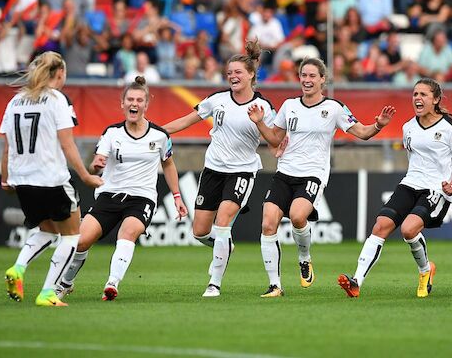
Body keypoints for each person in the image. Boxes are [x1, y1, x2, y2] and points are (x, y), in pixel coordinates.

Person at [247, 57, 396, 298]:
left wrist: (378, 125)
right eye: (303, 75)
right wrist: (259, 124)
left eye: (312, 76)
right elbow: (274, 139)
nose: (306, 80)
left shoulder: (334, 108)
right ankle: (275, 286)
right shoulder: (289, 105)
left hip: (313, 174)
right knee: (267, 224)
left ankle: (304, 258)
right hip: (285, 171)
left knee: (297, 217)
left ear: (322, 80)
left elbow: (362, 133)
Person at [162, 40, 277, 298]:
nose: (232, 76)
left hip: (242, 172)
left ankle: (214, 283)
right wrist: (157, 130)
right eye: (229, 73)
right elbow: (187, 120)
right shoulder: (217, 99)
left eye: (238, 72)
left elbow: (274, 140)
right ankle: (224, 246)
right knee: (200, 231)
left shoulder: (263, 107)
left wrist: (259, 124)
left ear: (250, 75)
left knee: (223, 222)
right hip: (213, 170)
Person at [57, 76, 187, 301]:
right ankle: (65, 283)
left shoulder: (160, 136)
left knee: (127, 233)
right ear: (122, 103)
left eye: (139, 100)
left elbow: (168, 164)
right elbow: (96, 162)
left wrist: (177, 196)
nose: (134, 104)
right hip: (109, 195)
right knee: (81, 241)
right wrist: (95, 166)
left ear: (146, 105)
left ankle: (112, 284)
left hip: (142, 198)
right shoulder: (111, 133)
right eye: (130, 99)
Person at [338, 78, 452, 299]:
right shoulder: (408, 127)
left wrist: (451, 185)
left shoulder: (450, 127)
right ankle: (356, 281)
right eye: (415, 94)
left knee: (409, 230)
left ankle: (426, 271)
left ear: (436, 99)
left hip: (435, 189)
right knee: (381, 226)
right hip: (410, 184)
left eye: (423, 94)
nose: (417, 98)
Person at [1, 51, 103, 306]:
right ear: (60, 73)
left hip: (23, 179)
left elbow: (7, 147)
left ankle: (18, 267)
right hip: (52, 179)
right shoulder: (56, 99)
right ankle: (47, 292)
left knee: (46, 230)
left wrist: (6, 179)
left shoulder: (15, 102)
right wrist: (85, 176)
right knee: (71, 235)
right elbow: (67, 145)